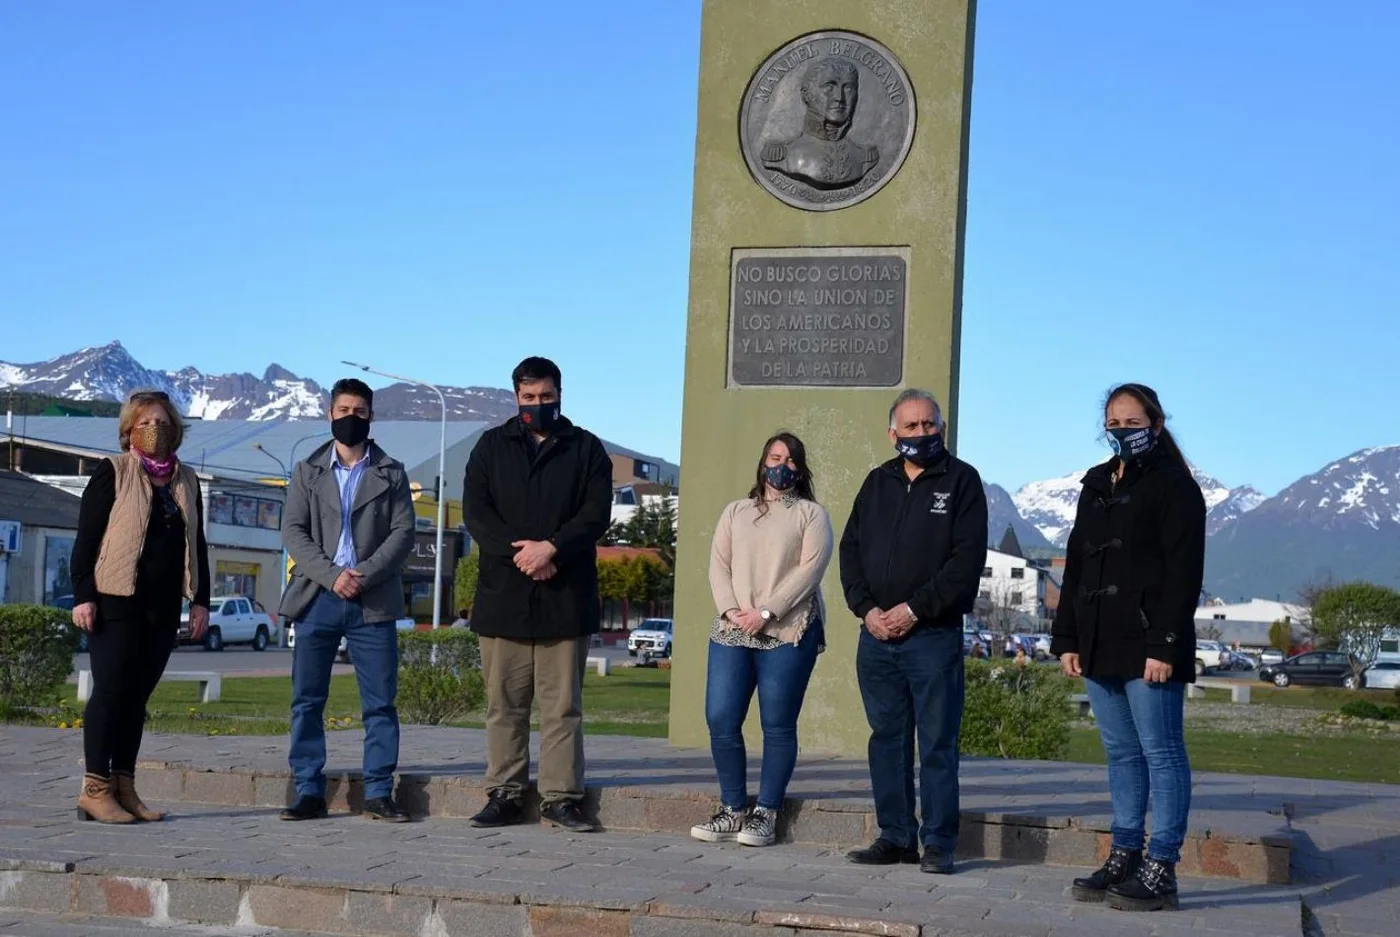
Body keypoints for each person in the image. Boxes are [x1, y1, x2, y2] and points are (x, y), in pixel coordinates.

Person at [1052, 383, 1205, 913]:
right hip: (1097, 641)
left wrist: (1164, 643)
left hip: (1149, 644)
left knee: (1162, 753)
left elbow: (1184, 573)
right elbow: (1076, 565)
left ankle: (1161, 866)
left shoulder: (1175, 486)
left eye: (1132, 422)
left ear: (1156, 425)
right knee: (1120, 753)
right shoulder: (1095, 484)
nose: (1121, 430)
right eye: (1113, 422)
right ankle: (1124, 854)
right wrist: (1067, 637)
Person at [839, 388, 987, 874]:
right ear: (892, 433)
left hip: (932, 637)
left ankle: (940, 842)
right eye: (911, 427)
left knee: (937, 743)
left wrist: (913, 609)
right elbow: (851, 551)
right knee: (887, 738)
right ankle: (896, 835)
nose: (921, 434)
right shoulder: (877, 482)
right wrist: (866, 611)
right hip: (876, 638)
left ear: (941, 429)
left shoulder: (962, 481)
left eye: (929, 425)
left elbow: (964, 565)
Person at [463, 357, 613, 833]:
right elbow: (477, 515)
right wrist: (523, 557)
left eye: (545, 397)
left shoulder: (587, 449)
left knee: (561, 708)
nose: (537, 405)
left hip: (564, 598)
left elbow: (595, 515)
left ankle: (561, 798)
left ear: (559, 395)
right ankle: (504, 794)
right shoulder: (490, 447)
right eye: (529, 398)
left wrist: (552, 549)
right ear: (516, 398)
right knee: (504, 706)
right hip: (503, 598)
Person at [69, 389, 211, 823]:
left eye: (163, 422)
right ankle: (94, 789)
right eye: (146, 422)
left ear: (177, 430)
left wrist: (200, 600)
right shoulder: (113, 472)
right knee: (110, 692)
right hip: (115, 600)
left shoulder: (186, 479)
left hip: (162, 606)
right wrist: (83, 596)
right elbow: (87, 539)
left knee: (136, 698)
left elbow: (197, 544)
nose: (155, 429)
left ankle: (124, 786)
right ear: (129, 429)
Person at [279, 378, 416, 823]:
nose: (350, 418)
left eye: (359, 410)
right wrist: (333, 575)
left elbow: (403, 533)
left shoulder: (392, 472)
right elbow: (293, 533)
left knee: (379, 701)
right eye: (343, 410)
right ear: (330, 414)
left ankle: (378, 792)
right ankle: (307, 790)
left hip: (372, 601)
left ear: (371, 415)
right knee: (307, 699)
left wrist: (364, 575)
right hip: (317, 596)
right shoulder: (306, 470)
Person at [690, 432, 833, 848]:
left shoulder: (811, 514)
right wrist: (733, 611)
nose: (782, 465)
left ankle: (766, 813)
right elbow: (719, 564)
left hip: (788, 631)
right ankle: (732, 809)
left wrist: (767, 612)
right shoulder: (735, 511)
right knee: (720, 718)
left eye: (791, 460)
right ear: (761, 462)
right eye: (774, 456)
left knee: (777, 724)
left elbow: (809, 571)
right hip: (733, 628)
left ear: (800, 469)